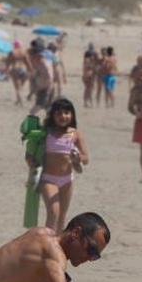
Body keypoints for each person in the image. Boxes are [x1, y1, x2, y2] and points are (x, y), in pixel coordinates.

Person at [30, 98, 89, 234]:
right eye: (59, 113)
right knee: (53, 212)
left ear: (72, 114)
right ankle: (47, 243)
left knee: (62, 215)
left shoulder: (75, 134)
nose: (63, 116)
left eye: (67, 113)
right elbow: (32, 151)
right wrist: (30, 159)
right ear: (53, 116)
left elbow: (86, 159)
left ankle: (58, 245)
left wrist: (78, 157)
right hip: (48, 179)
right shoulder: (46, 133)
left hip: (67, 179)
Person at [5, 40, 31, 107]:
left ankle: (21, 102)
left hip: (15, 69)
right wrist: (31, 70)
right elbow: (28, 63)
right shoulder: (24, 52)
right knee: (21, 87)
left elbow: (8, 62)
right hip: (23, 70)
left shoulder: (12, 52)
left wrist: (6, 70)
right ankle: (18, 100)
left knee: (17, 88)